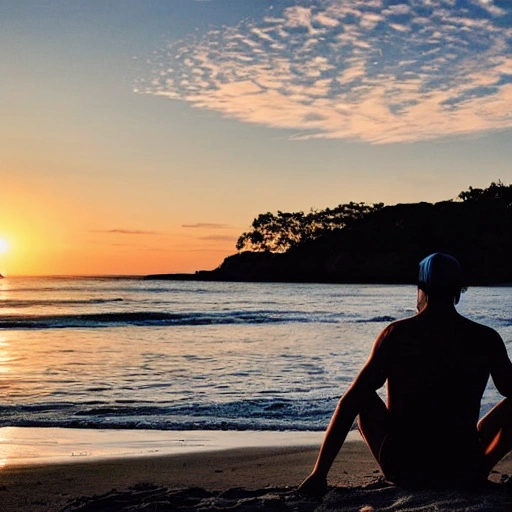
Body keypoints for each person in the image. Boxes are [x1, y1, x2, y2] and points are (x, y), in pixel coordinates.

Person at [299, 252, 512, 495]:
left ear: (421, 289)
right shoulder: (485, 338)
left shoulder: (396, 335)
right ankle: (481, 468)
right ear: (457, 292)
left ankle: (402, 473)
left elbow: (349, 403)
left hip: (406, 469)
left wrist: (319, 474)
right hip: (463, 467)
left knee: (364, 399)